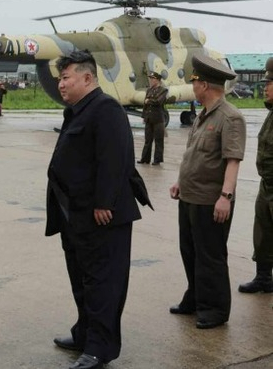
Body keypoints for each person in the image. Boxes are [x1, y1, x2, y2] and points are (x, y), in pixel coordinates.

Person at [47, 51, 149, 369]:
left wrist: (105, 202)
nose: (61, 84)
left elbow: (116, 160)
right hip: (75, 216)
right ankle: (84, 334)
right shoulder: (78, 111)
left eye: (66, 78)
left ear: (87, 78)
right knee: (82, 280)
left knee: (103, 283)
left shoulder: (105, 109)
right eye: (60, 78)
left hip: (101, 217)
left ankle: (99, 348)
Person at [168, 53, 246, 329]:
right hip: (189, 197)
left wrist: (225, 197)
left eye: (195, 82)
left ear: (205, 85)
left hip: (210, 201)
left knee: (210, 256)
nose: (193, 87)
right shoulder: (202, 116)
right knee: (189, 252)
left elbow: (233, 160)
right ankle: (196, 296)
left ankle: (215, 308)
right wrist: (180, 182)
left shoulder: (230, 117)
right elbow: (195, 156)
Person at [238, 57, 273, 294]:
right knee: (263, 233)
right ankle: (263, 278)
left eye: (270, 83)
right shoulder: (270, 114)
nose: (265, 87)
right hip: (267, 185)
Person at [138, 71, 168, 165]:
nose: (150, 80)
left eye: (152, 79)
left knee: (158, 140)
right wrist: (144, 116)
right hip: (149, 119)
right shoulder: (149, 90)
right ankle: (145, 159)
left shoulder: (163, 90)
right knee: (148, 140)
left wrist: (149, 101)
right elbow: (145, 105)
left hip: (158, 119)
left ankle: (157, 160)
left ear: (158, 80)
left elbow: (158, 101)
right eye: (150, 79)